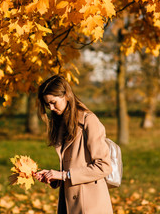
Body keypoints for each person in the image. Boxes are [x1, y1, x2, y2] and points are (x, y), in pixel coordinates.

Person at [34, 75, 113, 214]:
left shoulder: (89, 121)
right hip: (68, 204)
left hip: (90, 206)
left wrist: (63, 175)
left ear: (66, 95)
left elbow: (104, 166)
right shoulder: (62, 125)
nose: (51, 108)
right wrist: (53, 177)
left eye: (53, 102)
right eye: (48, 105)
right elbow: (72, 166)